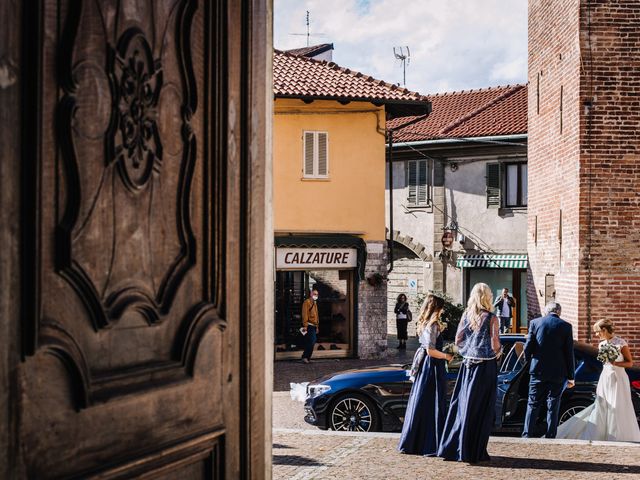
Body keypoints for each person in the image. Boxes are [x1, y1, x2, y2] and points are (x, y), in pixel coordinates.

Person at [438, 283, 501, 463]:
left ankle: (457, 447)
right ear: (487, 297)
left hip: (468, 366)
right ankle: (474, 450)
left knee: (464, 406)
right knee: (482, 408)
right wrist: (498, 352)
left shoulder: (466, 315)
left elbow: (458, 339)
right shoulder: (491, 318)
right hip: (485, 367)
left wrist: (468, 350)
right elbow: (495, 342)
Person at [556, 319, 640, 442]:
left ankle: (618, 436)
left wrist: (615, 363)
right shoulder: (601, 345)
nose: (596, 335)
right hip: (605, 377)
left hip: (618, 379)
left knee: (617, 406)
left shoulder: (621, 343)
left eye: (597, 332)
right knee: (602, 405)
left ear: (604, 330)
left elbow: (629, 363)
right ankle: (600, 434)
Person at [398, 294, 453, 456]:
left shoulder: (425, 323)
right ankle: (431, 444)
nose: (442, 311)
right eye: (441, 308)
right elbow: (430, 350)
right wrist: (447, 356)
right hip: (432, 367)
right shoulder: (433, 324)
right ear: (436, 308)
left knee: (422, 401)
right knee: (432, 402)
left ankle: (416, 441)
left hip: (426, 366)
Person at [522, 301, 575, 439]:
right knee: (553, 404)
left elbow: (528, 347)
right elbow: (569, 353)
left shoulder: (535, 323)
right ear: (559, 312)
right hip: (558, 372)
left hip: (538, 370)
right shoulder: (566, 326)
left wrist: (527, 361)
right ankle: (551, 435)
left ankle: (527, 434)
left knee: (533, 403)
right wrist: (571, 377)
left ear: (546, 311)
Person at [301, 289, 319, 364]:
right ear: (311, 294)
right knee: (311, 341)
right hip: (309, 325)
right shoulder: (307, 302)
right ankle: (305, 357)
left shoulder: (315, 303)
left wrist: (317, 326)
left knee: (312, 341)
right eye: (314, 294)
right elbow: (305, 314)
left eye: (317, 294)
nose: (316, 295)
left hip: (314, 326)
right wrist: (305, 325)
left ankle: (307, 357)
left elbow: (317, 315)